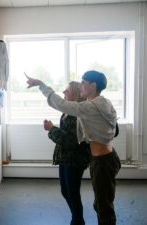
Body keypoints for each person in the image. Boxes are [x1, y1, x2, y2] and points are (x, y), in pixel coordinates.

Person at [26, 70, 121, 225]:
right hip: (106, 157)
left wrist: (41, 85)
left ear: (93, 85)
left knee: (103, 208)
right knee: (102, 205)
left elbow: (60, 103)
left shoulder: (91, 107)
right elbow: (115, 130)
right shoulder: (105, 103)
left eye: (83, 83)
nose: (81, 85)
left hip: (102, 161)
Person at [43, 81, 90, 225]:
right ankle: (77, 219)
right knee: (66, 191)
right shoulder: (69, 111)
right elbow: (67, 136)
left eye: (67, 90)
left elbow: (70, 141)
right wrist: (53, 129)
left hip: (75, 160)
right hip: (66, 158)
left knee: (72, 193)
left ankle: (77, 221)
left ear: (75, 94)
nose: (63, 92)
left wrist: (51, 129)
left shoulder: (77, 115)